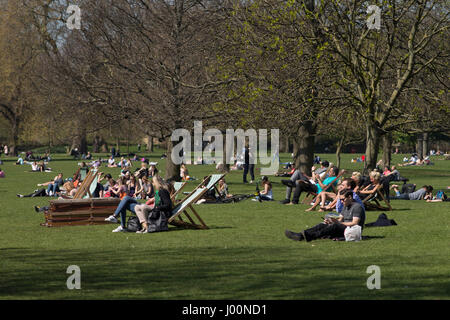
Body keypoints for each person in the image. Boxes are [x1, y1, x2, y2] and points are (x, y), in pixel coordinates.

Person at [285, 191, 365, 242]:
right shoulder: (345, 205)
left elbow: (355, 223)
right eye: (340, 199)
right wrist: (331, 221)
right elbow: (341, 218)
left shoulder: (357, 207)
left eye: (343, 199)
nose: (341, 201)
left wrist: (338, 223)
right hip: (344, 227)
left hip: (353, 230)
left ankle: (309, 236)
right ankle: (301, 234)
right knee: (323, 224)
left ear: (350, 197)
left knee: (334, 226)